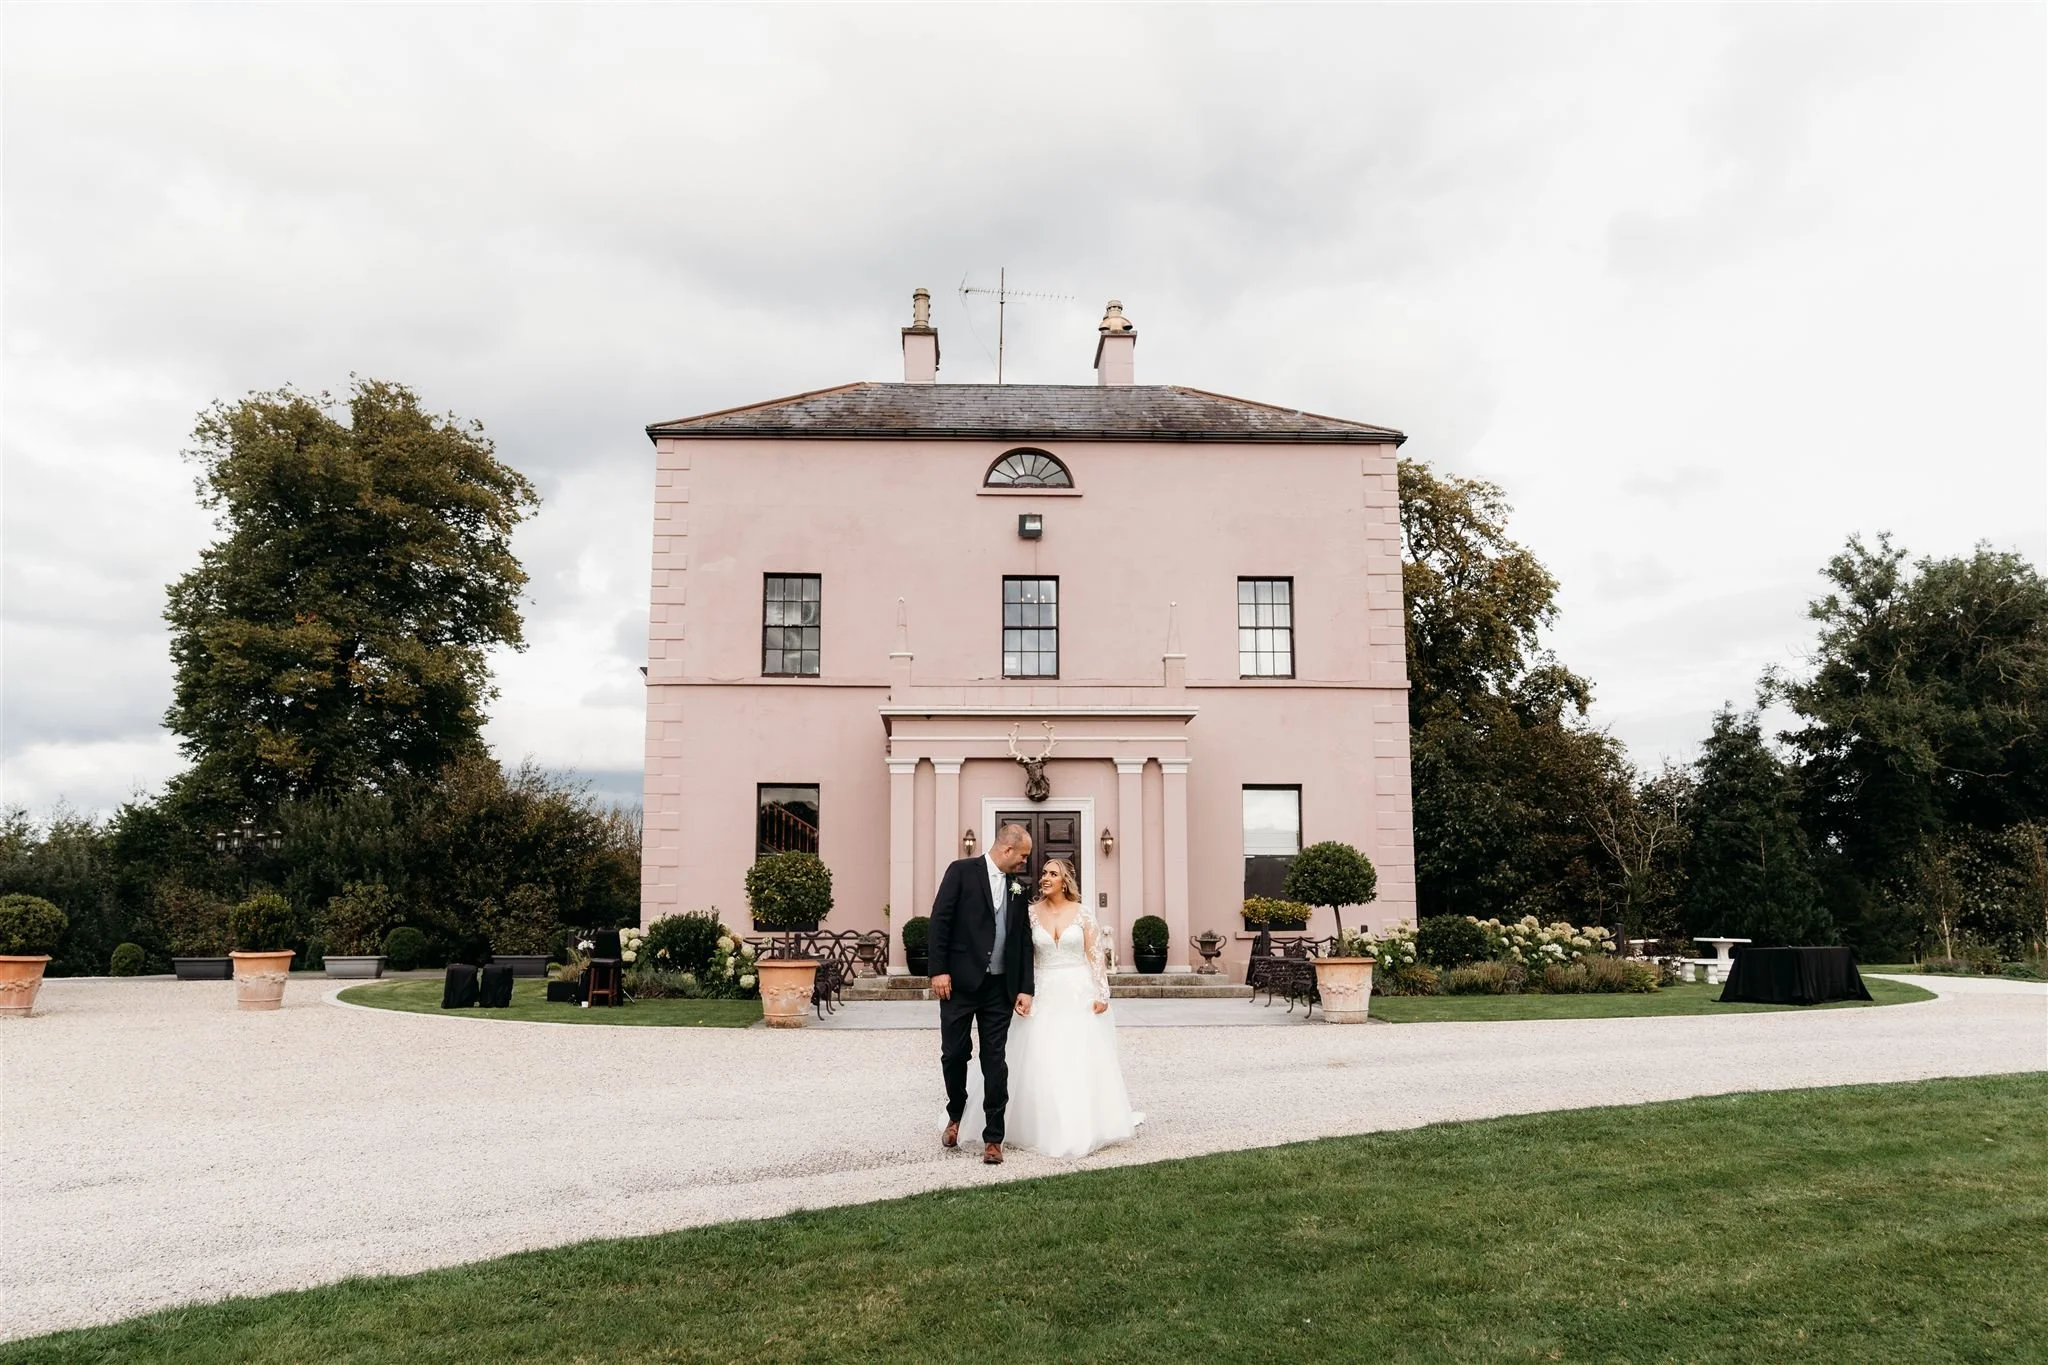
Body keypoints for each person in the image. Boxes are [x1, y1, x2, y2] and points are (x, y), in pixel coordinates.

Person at [1003, 857, 1143, 1158]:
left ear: (1065, 881)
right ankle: (1039, 1124)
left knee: (1077, 1055)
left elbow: (1095, 955)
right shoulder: (1029, 913)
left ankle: (1083, 1124)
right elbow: (1023, 955)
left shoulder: (1083, 913)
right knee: (1040, 1055)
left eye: (1053, 874)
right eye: (1044, 873)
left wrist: (1102, 992)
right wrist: (1020, 991)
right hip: (1043, 989)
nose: (1045, 878)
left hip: (1078, 991)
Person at [929, 822, 1035, 1164]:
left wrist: (1025, 988)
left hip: (999, 988)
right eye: (1023, 855)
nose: (1025, 861)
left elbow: (1023, 940)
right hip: (958, 984)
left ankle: (993, 1137)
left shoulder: (1018, 887)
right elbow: (940, 921)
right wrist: (938, 970)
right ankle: (956, 1115)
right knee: (954, 1054)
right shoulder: (961, 872)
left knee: (995, 1061)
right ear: (1007, 849)